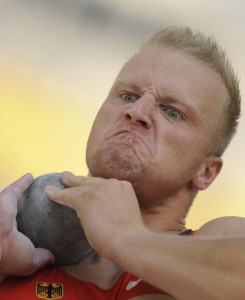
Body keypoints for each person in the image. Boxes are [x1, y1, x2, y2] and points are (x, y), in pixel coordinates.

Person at [0, 26, 244, 299]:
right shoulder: (17, 252)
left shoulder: (220, 240)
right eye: (128, 96)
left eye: (172, 112)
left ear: (206, 171)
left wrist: (125, 238)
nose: (137, 111)